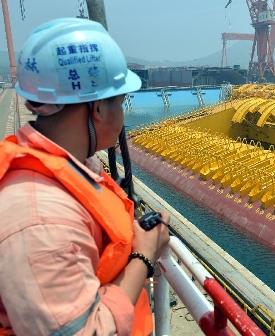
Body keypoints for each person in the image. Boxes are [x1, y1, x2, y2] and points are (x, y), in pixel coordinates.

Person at [0, 18, 170, 335]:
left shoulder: (69, 166)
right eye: (120, 102)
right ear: (97, 109)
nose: (123, 114)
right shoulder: (40, 216)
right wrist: (144, 256)